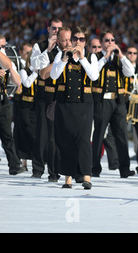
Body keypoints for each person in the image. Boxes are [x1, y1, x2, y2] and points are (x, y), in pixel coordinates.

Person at [50, 26, 99, 189]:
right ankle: (68, 178)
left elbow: (94, 75)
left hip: (84, 104)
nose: (78, 42)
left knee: (84, 140)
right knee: (66, 140)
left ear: (85, 42)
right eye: (75, 39)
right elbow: (54, 75)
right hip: (65, 103)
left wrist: (82, 57)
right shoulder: (61, 54)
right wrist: (65, 59)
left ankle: (86, 176)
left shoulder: (91, 57)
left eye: (81, 39)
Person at [91, 29, 136, 178]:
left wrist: (121, 56)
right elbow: (94, 73)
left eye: (112, 40)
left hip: (118, 101)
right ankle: (94, 167)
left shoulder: (120, 58)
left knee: (121, 135)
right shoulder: (95, 57)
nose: (110, 43)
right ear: (101, 43)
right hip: (102, 100)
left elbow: (130, 72)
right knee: (98, 135)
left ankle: (124, 169)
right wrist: (105, 57)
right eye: (107, 41)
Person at [29, 17, 62, 181]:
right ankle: (37, 168)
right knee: (41, 133)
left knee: (55, 136)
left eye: (59, 29)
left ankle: (54, 170)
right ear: (48, 29)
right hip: (43, 93)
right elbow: (33, 66)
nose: (56, 31)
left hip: (59, 94)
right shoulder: (39, 46)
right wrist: (47, 51)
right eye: (54, 28)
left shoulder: (65, 47)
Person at [0, 37, 24, 175]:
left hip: (3, 100)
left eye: (3, 46)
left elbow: (17, 82)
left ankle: (14, 164)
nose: (2, 49)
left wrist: (10, 69)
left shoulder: (8, 62)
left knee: (7, 135)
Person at [15, 47, 38, 171]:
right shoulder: (23, 71)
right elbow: (27, 83)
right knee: (24, 133)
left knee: (36, 134)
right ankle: (24, 163)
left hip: (36, 106)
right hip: (25, 105)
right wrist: (36, 72)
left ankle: (36, 160)